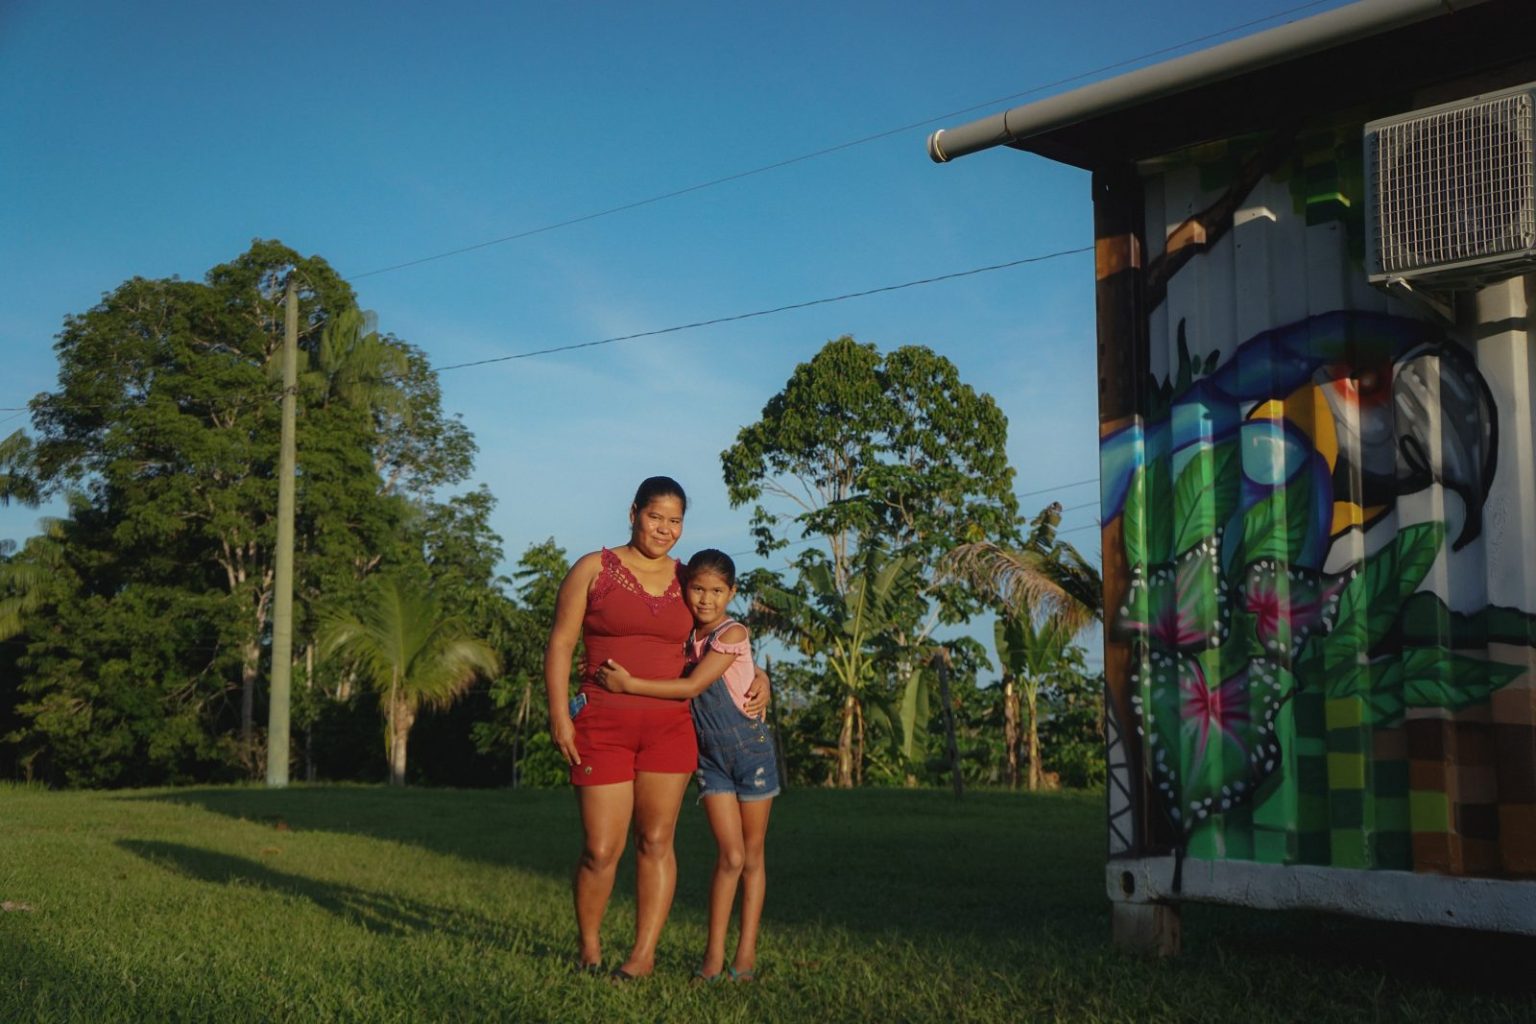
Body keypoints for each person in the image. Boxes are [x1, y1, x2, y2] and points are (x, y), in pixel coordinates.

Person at [543, 477, 767, 980]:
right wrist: (560, 714)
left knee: (657, 840)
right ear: (633, 513)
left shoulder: (689, 578)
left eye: (675, 520)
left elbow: (725, 640)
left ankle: (642, 956)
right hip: (601, 724)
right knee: (601, 849)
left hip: (670, 730)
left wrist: (764, 678)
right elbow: (560, 643)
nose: (664, 529)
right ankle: (589, 950)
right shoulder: (592, 569)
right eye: (655, 517)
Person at [597, 548, 779, 983]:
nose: (706, 599)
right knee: (729, 855)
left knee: (751, 857)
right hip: (711, 760)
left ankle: (746, 955)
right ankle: (712, 959)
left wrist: (628, 685)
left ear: (732, 593)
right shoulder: (685, 637)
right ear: (685, 589)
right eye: (697, 589)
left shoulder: (732, 634)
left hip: (750, 752)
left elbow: (694, 685)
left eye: (717, 591)